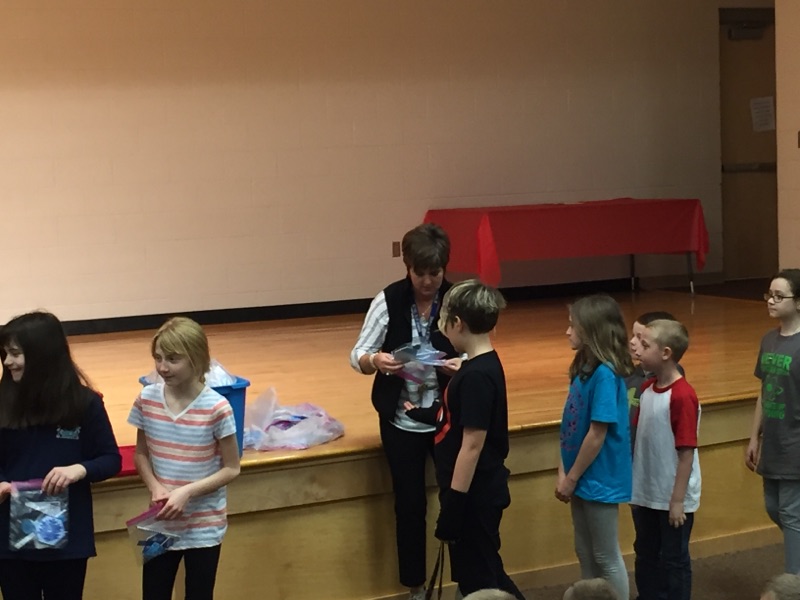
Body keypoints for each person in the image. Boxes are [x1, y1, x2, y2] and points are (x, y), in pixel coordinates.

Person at [350, 223, 461, 600]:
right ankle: (416, 587)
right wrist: (375, 360)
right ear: (407, 268)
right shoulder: (388, 300)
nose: (428, 282)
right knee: (410, 506)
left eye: (435, 273)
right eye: (420, 273)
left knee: (456, 500)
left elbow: (479, 351)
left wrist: (462, 366)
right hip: (400, 421)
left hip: (446, 417)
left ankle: (463, 580)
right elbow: (357, 354)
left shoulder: (457, 300)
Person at [0, 310, 122, 600]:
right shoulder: (2, 402)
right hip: (10, 539)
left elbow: (110, 459)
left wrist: (79, 469)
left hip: (66, 541)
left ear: (42, 355)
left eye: (15, 353)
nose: (7, 362)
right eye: (4, 354)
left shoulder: (84, 403)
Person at [128, 317, 241, 600]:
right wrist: (154, 486)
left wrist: (187, 492)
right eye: (158, 358)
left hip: (203, 527)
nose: (162, 367)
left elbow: (231, 468)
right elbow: (141, 453)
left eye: (173, 359)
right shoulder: (147, 399)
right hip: (159, 521)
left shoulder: (217, 407)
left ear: (196, 359)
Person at [430, 279, 525, 600]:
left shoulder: (476, 377)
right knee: (482, 573)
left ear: (458, 323)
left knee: (482, 580)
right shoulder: (476, 367)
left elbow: (472, 445)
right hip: (476, 492)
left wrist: (454, 505)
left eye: (445, 320)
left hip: (474, 496)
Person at [556, 294, 633, 600]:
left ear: (592, 331)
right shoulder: (583, 368)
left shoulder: (604, 375)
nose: (567, 332)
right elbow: (569, 427)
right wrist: (563, 471)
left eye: (573, 326)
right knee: (584, 551)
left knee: (605, 555)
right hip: (579, 475)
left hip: (598, 477)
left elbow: (596, 434)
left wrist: (572, 476)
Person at [631, 319, 701, 600]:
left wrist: (677, 501)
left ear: (666, 353)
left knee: (674, 559)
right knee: (645, 552)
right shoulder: (647, 389)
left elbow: (686, 452)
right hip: (647, 492)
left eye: (645, 344)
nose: (637, 348)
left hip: (672, 496)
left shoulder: (682, 396)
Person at [746, 269, 800, 575]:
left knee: (791, 513)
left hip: (795, 443)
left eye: (780, 296)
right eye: (770, 294)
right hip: (773, 442)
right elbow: (764, 391)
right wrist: (754, 437)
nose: (771, 301)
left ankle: (793, 584)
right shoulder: (769, 340)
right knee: (773, 507)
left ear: (799, 302)